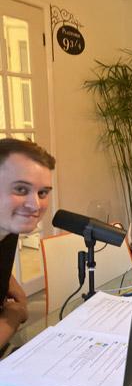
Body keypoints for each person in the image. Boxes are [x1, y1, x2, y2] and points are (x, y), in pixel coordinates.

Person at [0, 138, 55, 350]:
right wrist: (14, 315)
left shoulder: (9, 227)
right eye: (21, 190)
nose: (35, 205)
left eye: (43, 193)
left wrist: (13, 287)